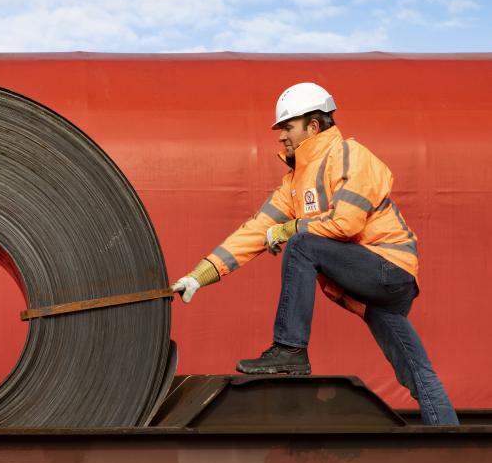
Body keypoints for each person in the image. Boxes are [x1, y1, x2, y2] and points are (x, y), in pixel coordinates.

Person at [170, 82, 459, 426]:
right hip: (370, 284)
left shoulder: (351, 157)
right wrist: (199, 276)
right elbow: (255, 232)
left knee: (302, 244)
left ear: (313, 125)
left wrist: (291, 229)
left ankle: (290, 350)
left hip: (388, 269)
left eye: (287, 127)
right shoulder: (294, 184)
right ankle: (448, 439)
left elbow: (346, 224)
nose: (280, 137)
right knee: (415, 370)